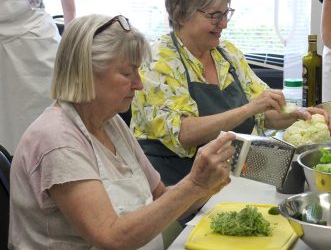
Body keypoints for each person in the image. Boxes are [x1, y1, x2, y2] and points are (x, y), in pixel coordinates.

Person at [8, 14, 236, 249]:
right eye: (127, 74)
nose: (139, 84)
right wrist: (194, 185)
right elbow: (111, 238)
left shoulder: (111, 123)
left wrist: (208, 182)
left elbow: (160, 197)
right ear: (85, 72)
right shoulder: (56, 140)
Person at [131, 0, 331, 186]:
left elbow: (264, 112)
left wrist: (300, 115)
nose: (224, 24)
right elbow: (182, 132)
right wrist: (248, 109)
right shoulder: (158, 61)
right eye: (214, 16)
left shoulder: (226, 54)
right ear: (181, 16)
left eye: (226, 14)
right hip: (174, 184)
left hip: (227, 175)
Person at [0, 0, 75, 154]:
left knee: (58, 127)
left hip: (40, 48)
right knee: (9, 138)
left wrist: (71, 41)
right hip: (4, 56)